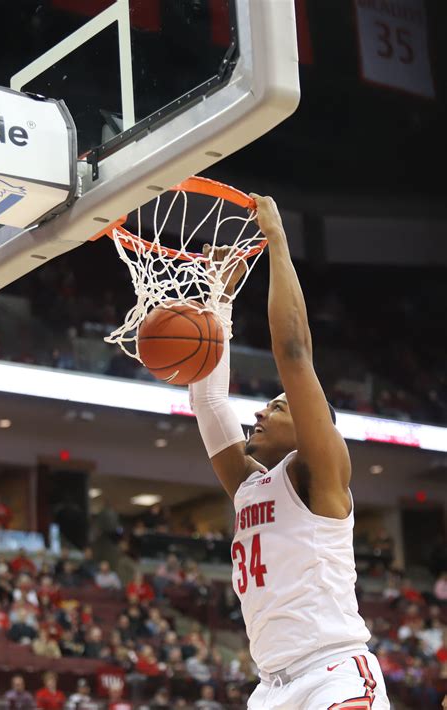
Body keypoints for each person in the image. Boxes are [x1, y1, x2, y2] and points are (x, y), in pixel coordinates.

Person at [189, 196, 390, 709]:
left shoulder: (321, 472)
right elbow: (208, 400)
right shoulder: (249, 485)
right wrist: (218, 302)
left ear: (307, 423)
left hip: (334, 675)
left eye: (277, 407)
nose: (259, 413)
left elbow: (295, 353)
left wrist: (276, 241)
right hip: (271, 688)